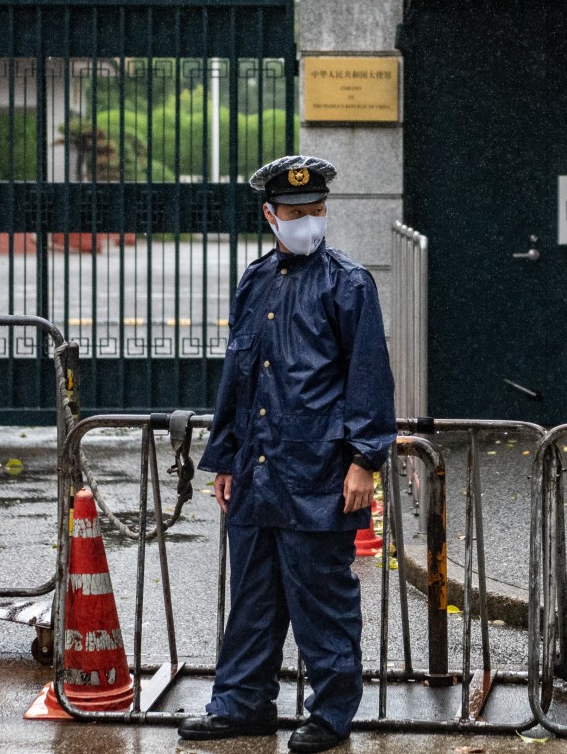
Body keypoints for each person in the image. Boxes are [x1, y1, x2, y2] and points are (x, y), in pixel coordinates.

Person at [180, 155, 397, 754]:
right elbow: (239, 375)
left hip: (318, 470)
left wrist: (363, 461)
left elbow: (370, 377)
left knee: (322, 598)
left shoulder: (348, 284)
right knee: (252, 598)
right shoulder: (256, 280)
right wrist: (225, 458)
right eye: (297, 213)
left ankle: (330, 714)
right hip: (259, 468)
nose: (309, 221)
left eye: (318, 211)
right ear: (271, 216)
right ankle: (241, 703)